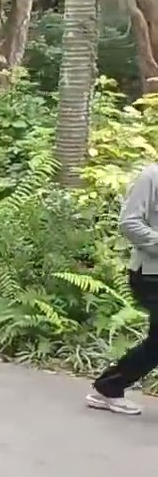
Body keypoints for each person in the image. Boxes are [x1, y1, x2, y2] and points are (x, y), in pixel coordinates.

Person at [85, 165, 158, 415]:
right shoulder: (151, 177)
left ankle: (109, 387)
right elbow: (129, 223)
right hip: (151, 274)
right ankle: (109, 388)